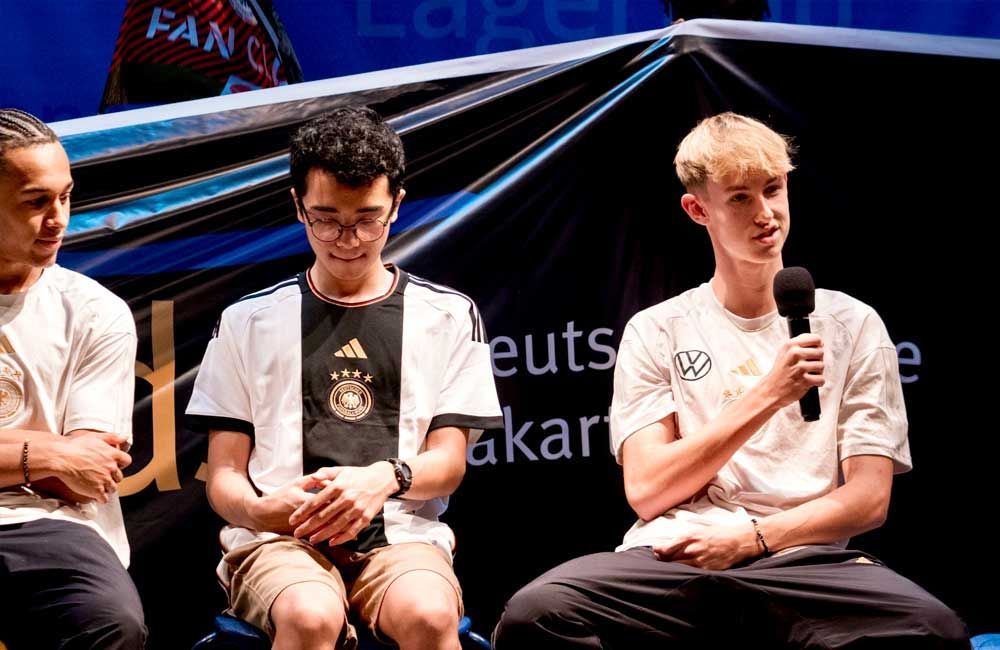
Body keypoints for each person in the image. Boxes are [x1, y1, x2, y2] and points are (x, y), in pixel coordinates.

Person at [493, 112, 968, 648]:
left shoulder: (853, 323)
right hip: (679, 553)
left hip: (805, 561)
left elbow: (867, 498)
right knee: (538, 612)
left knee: (934, 629)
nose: (766, 214)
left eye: (773, 189)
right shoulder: (657, 329)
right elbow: (648, 492)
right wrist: (768, 394)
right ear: (699, 210)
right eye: (740, 198)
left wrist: (754, 540)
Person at [186, 106, 503, 650]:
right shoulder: (247, 320)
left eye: (367, 220)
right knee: (311, 616)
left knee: (428, 615)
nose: (347, 239)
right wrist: (260, 511)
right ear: (297, 206)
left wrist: (385, 478)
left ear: (397, 206)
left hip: (403, 538)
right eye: (326, 219)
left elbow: (448, 465)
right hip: (278, 543)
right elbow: (224, 477)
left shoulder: (448, 314)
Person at [0, 108, 145, 649]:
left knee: (111, 619)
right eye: (37, 202)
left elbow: (85, 472)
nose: (59, 217)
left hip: (54, 525)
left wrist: (53, 460)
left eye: (65, 196)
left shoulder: (94, 312)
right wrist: (46, 454)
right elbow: (61, 461)